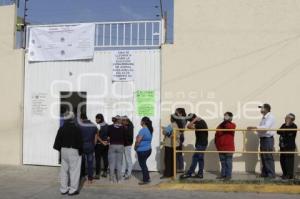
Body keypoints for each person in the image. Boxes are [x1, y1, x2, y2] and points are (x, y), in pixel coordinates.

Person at [53, 112, 83, 196]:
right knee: (74, 170)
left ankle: (63, 189)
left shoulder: (61, 128)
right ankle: (73, 190)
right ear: (73, 118)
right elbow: (80, 142)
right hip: (73, 150)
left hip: (63, 150)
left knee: (64, 170)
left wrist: (61, 150)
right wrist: (80, 152)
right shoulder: (77, 129)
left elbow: (57, 142)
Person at [248, 103, 276, 178]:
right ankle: (265, 173)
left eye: (262, 108)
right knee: (263, 157)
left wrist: (254, 127)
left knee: (268, 156)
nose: (261, 109)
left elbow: (265, 127)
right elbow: (261, 130)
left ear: (266, 109)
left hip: (268, 139)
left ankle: (271, 174)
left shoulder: (270, 117)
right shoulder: (264, 117)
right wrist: (257, 130)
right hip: (263, 139)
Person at [180, 113, 208, 179]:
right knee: (200, 159)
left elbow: (189, 126)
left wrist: (194, 120)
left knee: (195, 158)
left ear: (193, 119)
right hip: (202, 143)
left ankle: (190, 173)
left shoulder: (200, 123)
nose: (190, 122)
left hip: (201, 144)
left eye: (190, 120)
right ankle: (200, 174)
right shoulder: (200, 122)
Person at [215, 112, 236, 180]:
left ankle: (228, 176)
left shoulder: (233, 125)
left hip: (228, 147)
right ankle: (223, 175)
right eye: (224, 115)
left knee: (228, 162)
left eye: (227, 116)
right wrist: (216, 145)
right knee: (223, 162)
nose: (225, 117)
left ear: (230, 117)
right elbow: (217, 134)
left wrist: (227, 121)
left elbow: (229, 127)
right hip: (221, 147)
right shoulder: (220, 125)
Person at [78, 113, 98, 184]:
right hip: (90, 146)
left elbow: (78, 137)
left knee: (81, 162)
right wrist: (93, 145)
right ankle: (90, 178)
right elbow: (95, 138)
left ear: (81, 118)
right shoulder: (93, 125)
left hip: (82, 146)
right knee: (90, 163)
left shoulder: (79, 125)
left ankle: (82, 176)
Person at [277, 113, 298, 179]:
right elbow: (278, 131)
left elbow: (289, 133)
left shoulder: (294, 126)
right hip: (282, 146)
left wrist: (286, 127)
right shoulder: (284, 125)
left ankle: (289, 175)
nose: (285, 118)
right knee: (282, 160)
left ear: (291, 119)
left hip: (289, 146)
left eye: (287, 117)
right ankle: (284, 173)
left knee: (289, 161)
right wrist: (285, 127)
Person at [161, 114, 181, 178]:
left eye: (170, 118)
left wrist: (164, 130)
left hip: (169, 144)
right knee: (173, 159)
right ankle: (173, 172)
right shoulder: (178, 125)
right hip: (176, 144)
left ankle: (167, 174)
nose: (170, 119)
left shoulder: (171, 125)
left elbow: (165, 132)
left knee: (168, 160)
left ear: (172, 119)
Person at [135, 117, 153, 185]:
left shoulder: (142, 130)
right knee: (144, 164)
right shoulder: (150, 129)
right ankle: (147, 178)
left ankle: (145, 180)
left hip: (142, 150)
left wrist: (135, 147)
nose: (140, 122)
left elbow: (138, 141)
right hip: (148, 150)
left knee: (143, 165)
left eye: (141, 121)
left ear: (143, 122)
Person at [107, 115, 126, 183]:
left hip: (112, 145)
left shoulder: (110, 127)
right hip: (120, 145)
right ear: (119, 120)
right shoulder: (123, 127)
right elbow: (125, 137)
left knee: (111, 163)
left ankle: (111, 180)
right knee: (119, 163)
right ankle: (119, 179)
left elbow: (108, 137)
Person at [94, 113, 109, 179]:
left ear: (99, 119)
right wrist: (107, 142)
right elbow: (109, 136)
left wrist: (102, 142)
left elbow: (96, 136)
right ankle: (105, 172)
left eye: (96, 118)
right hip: (106, 145)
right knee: (105, 158)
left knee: (98, 160)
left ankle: (97, 174)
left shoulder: (98, 126)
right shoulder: (107, 125)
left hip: (99, 145)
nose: (95, 120)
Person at [174, 108, 187, 172]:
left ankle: (179, 168)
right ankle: (179, 167)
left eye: (176, 113)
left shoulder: (182, 119)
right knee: (178, 152)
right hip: (180, 135)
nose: (175, 114)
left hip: (179, 136)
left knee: (177, 152)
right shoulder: (182, 119)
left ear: (180, 113)